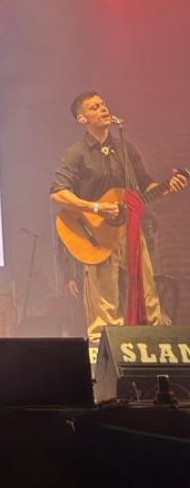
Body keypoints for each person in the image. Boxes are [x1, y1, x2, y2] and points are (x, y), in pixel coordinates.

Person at [50, 92, 186, 349]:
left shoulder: (125, 149)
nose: (103, 109)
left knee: (147, 292)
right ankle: (103, 357)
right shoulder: (76, 154)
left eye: (103, 104)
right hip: (95, 236)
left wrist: (168, 186)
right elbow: (58, 192)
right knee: (104, 304)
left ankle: (154, 349)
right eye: (94, 107)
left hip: (131, 229)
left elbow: (147, 186)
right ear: (82, 118)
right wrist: (95, 207)